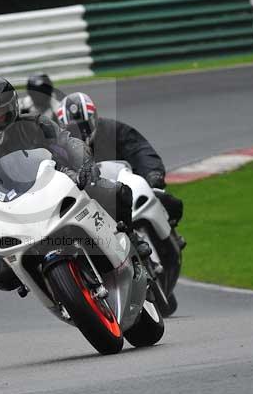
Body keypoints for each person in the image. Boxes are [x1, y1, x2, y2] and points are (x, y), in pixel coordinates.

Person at [0, 74, 149, 291]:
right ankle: (41, 282)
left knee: (118, 193)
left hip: (61, 183)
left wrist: (85, 165)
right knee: (1, 275)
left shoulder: (36, 123)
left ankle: (130, 237)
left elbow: (68, 142)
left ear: (11, 107)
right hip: (17, 212)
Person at [56, 92, 185, 285]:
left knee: (168, 200)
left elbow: (140, 149)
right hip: (93, 201)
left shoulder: (112, 129)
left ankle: (171, 233)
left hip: (123, 185)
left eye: (84, 125)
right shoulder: (60, 148)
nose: (81, 132)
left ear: (94, 119)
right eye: (73, 129)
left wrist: (153, 175)